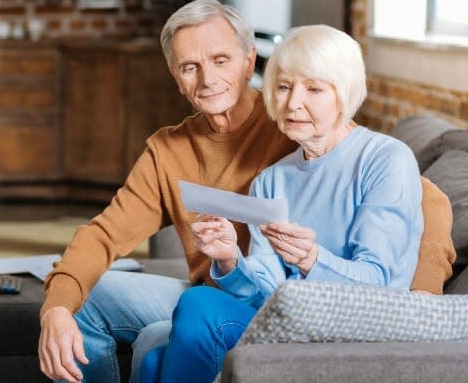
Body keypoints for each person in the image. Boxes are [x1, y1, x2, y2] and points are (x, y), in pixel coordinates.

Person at [38, 0, 455, 383]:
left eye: (221, 59)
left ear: (248, 61)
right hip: (237, 290)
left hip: (291, 304)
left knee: (165, 337)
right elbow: (104, 234)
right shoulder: (177, 152)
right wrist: (55, 307)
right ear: (176, 78)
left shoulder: (294, 123)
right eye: (190, 67)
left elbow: (427, 199)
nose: (208, 79)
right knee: (81, 298)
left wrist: (418, 299)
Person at [139, 24, 429, 383]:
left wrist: (311, 259)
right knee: (154, 363)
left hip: (353, 331)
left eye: (313, 89)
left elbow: (378, 283)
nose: (293, 103)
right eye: (283, 87)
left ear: (345, 92)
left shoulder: (385, 160)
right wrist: (230, 259)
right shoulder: (273, 179)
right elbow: (265, 291)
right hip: (289, 322)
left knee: (198, 304)